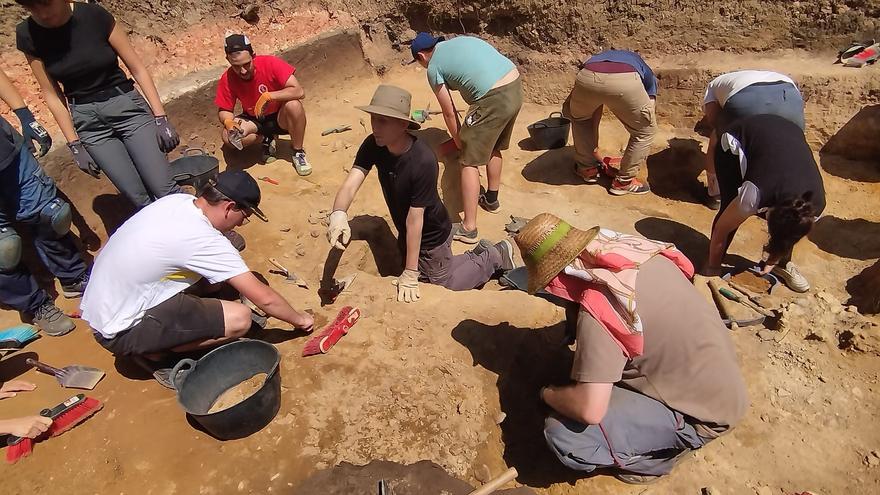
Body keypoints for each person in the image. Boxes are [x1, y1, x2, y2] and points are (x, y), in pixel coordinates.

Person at [513, 213, 748, 483]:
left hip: (704, 416)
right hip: (718, 384)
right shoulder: (640, 254)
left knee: (564, 435)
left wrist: (548, 394)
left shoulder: (603, 306)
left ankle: (654, 460)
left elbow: (590, 410)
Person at [81, 170, 314, 388]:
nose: (242, 222)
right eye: (245, 215)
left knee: (226, 262)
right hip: (121, 329)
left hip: (106, 304)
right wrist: (300, 320)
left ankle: (160, 335)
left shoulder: (177, 202)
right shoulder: (202, 240)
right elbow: (266, 300)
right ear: (229, 207)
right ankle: (158, 354)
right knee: (241, 320)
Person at [326, 85, 516, 303]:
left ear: (404, 124)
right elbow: (352, 183)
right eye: (374, 119)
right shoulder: (374, 144)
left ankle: (495, 255)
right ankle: (473, 256)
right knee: (426, 275)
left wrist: (410, 271)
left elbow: (415, 219)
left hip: (431, 235)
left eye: (383, 121)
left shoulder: (422, 160)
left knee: (441, 286)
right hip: (407, 233)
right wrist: (338, 213)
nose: (375, 127)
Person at [15, 0, 180, 210]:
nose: (42, 13)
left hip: (127, 108)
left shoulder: (94, 16)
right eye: (32, 8)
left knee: (165, 189)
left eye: (46, 4)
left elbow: (137, 67)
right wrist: (74, 144)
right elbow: (52, 93)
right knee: (138, 199)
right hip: (89, 124)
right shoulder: (28, 34)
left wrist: (160, 117)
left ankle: (204, 236)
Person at [410, 32, 522, 244]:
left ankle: (469, 228)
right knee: (493, 145)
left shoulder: (433, 67)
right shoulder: (460, 41)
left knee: (468, 161)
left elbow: (449, 111)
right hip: (514, 86)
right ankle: (491, 199)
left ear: (421, 57)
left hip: (492, 98)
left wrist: (459, 140)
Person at [1, 68, 88, 336]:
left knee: (52, 215)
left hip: (8, 152)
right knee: (4, 248)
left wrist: (25, 116)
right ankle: (36, 304)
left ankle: (74, 277)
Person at [705, 114, 825, 292]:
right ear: (769, 214)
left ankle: (782, 265)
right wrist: (713, 270)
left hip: (788, 134)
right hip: (740, 136)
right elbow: (722, 228)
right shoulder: (754, 194)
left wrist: (773, 259)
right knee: (730, 206)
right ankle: (713, 264)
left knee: (790, 228)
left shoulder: (815, 207)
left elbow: (790, 232)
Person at [700, 70, 804, 208]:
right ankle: (790, 197)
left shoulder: (712, 87)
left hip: (745, 98)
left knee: (716, 140)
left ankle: (716, 195)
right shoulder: (732, 80)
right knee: (790, 144)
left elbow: (713, 119)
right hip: (788, 94)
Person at [562, 49, 657, 195]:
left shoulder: (595, 58)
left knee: (581, 120)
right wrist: (642, 124)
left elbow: (585, 106)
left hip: (587, 78)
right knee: (645, 132)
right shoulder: (639, 63)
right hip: (625, 82)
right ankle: (624, 182)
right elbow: (650, 100)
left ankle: (587, 169)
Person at [215, 34, 311, 175]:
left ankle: (298, 151)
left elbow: (298, 91)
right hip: (254, 119)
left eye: (246, 64)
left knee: (294, 105)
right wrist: (228, 122)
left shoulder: (270, 63)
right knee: (228, 137)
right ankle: (266, 139)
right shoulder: (227, 78)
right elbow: (224, 109)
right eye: (236, 66)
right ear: (228, 60)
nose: (243, 71)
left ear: (253, 56)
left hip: (280, 117)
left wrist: (269, 96)